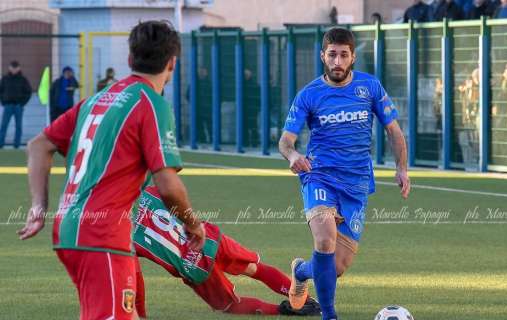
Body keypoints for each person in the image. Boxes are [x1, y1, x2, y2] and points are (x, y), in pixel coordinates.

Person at [18, 21, 206, 320]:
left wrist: (39, 207)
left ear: (130, 59)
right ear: (172, 63)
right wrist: (193, 224)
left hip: (71, 229)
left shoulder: (96, 99)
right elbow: (168, 185)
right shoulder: (151, 104)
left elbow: (39, 144)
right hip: (101, 234)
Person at [279, 27, 411, 320]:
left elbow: (394, 131)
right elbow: (285, 140)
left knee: (335, 267)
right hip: (319, 176)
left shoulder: (370, 87)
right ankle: (330, 315)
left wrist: (402, 169)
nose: (337, 61)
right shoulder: (309, 94)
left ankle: (301, 270)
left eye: (343, 55)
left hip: (356, 184)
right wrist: (293, 154)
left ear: (352, 57)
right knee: (324, 239)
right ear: (323, 56)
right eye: (332, 55)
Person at [133, 185, 321, 317]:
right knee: (254, 269)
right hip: (208, 238)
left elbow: (135, 276)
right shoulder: (147, 191)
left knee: (231, 305)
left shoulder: (119, 235)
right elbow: (172, 185)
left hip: (192, 266)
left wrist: (139, 314)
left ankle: (284, 310)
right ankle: (309, 301)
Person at [0, 61, 31, 149]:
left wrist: (22, 103)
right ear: (9, 68)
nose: (14, 69)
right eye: (12, 67)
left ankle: (16, 145)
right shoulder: (5, 79)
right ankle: (0, 144)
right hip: (8, 106)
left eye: (15, 67)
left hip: (18, 106)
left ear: (19, 68)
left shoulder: (23, 79)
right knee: (4, 125)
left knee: (18, 126)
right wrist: (3, 102)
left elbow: (28, 92)